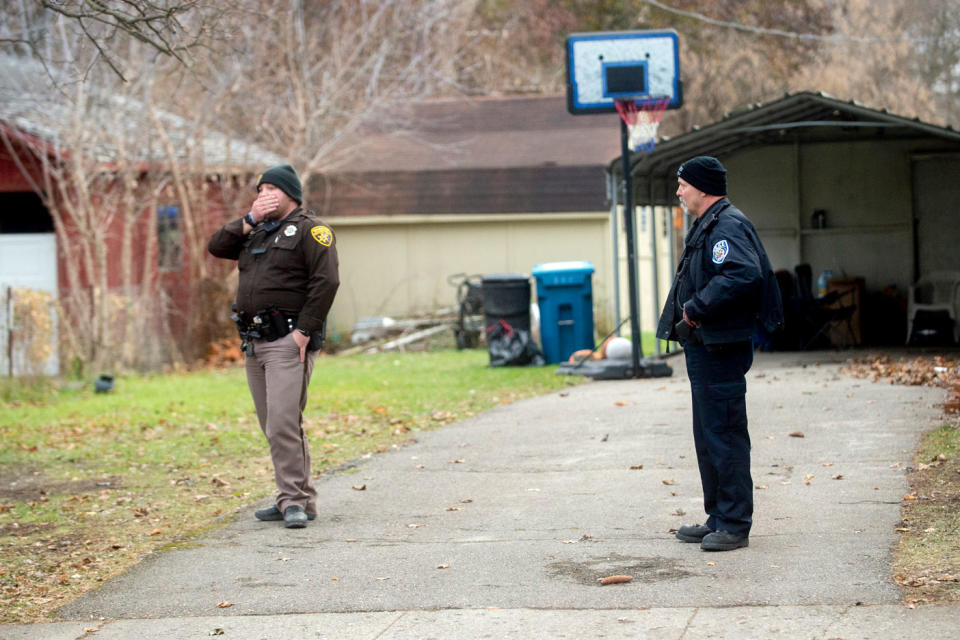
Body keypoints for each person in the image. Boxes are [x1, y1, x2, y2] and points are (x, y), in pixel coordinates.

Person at [656, 156, 782, 551]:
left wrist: (695, 309)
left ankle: (734, 523)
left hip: (721, 346)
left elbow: (742, 273)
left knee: (724, 433)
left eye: (683, 185)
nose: (678, 191)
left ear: (703, 187)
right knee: (708, 433)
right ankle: (718, 516)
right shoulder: (709, 224)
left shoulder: (726, 225)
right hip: (706, 345)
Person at [208, 164, 340, 529]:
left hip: (288, 341)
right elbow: (217, 245)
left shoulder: (313, 231)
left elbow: (327, 282)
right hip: (255, 342)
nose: (265, 194)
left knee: (283, 422)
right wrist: (250, 217)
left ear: (290, 192)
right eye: (260, 189)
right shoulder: (258, 232)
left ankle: (295, 501)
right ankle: (293, 498)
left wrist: (303, 332)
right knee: (274, 425)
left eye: (272, 189)